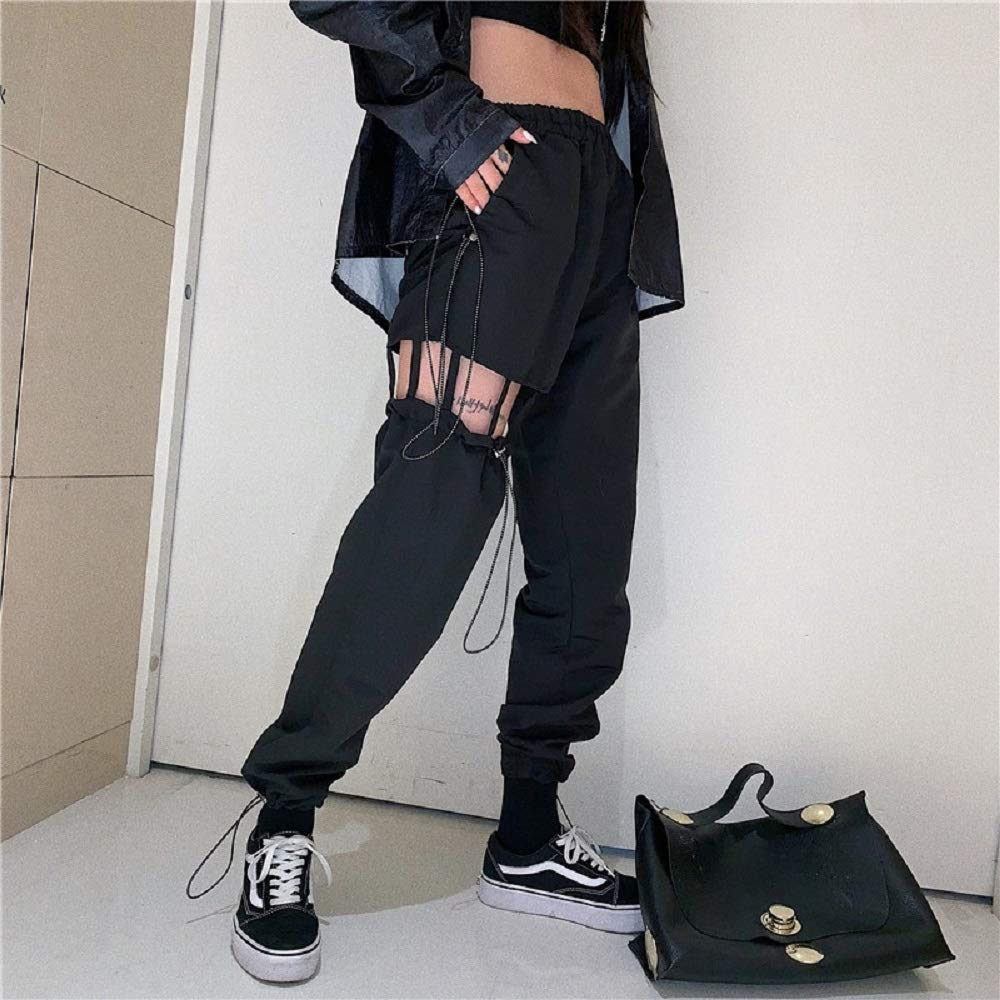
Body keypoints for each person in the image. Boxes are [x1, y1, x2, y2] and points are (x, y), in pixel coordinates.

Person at [186, 0, 684, 983]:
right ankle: (286, 809)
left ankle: (530, 833)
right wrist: (451, 123)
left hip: (603, 204)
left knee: (589, 540)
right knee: (433, 500)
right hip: (505, 170)